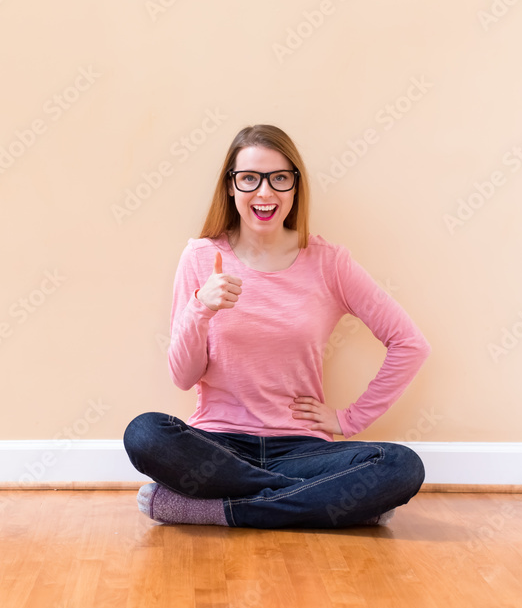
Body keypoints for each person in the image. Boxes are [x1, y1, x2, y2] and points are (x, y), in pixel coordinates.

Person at [122, 124, 431, 529]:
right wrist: (201, 308)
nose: (264, 193)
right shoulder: (200, 257)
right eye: (249, 178)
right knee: (144, 434)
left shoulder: (329, 262)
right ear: (231, 187)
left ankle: (215, 510)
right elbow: (183, 378)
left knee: (400, 466)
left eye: (279, 179)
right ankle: (324, 501)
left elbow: (409, 343)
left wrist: (349, 420)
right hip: (218, 446)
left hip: (302, 448)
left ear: (294, 188)